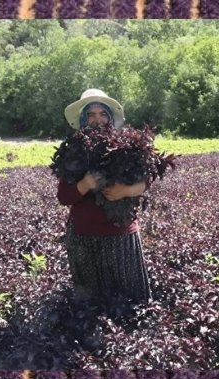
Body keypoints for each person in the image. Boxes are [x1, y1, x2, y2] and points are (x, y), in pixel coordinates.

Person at [56, 88, 152, 305]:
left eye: (102, 114)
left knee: (131, 302)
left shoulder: (128, 146)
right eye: (90, 114)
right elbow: (64, 197)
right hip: (84, 238)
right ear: (83, 119)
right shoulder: (73, 151)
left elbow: (147, 181)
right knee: (91, 304)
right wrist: (84, 184)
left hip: (121, 236)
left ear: (110, 117)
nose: (97, 119)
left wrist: (125, 191)